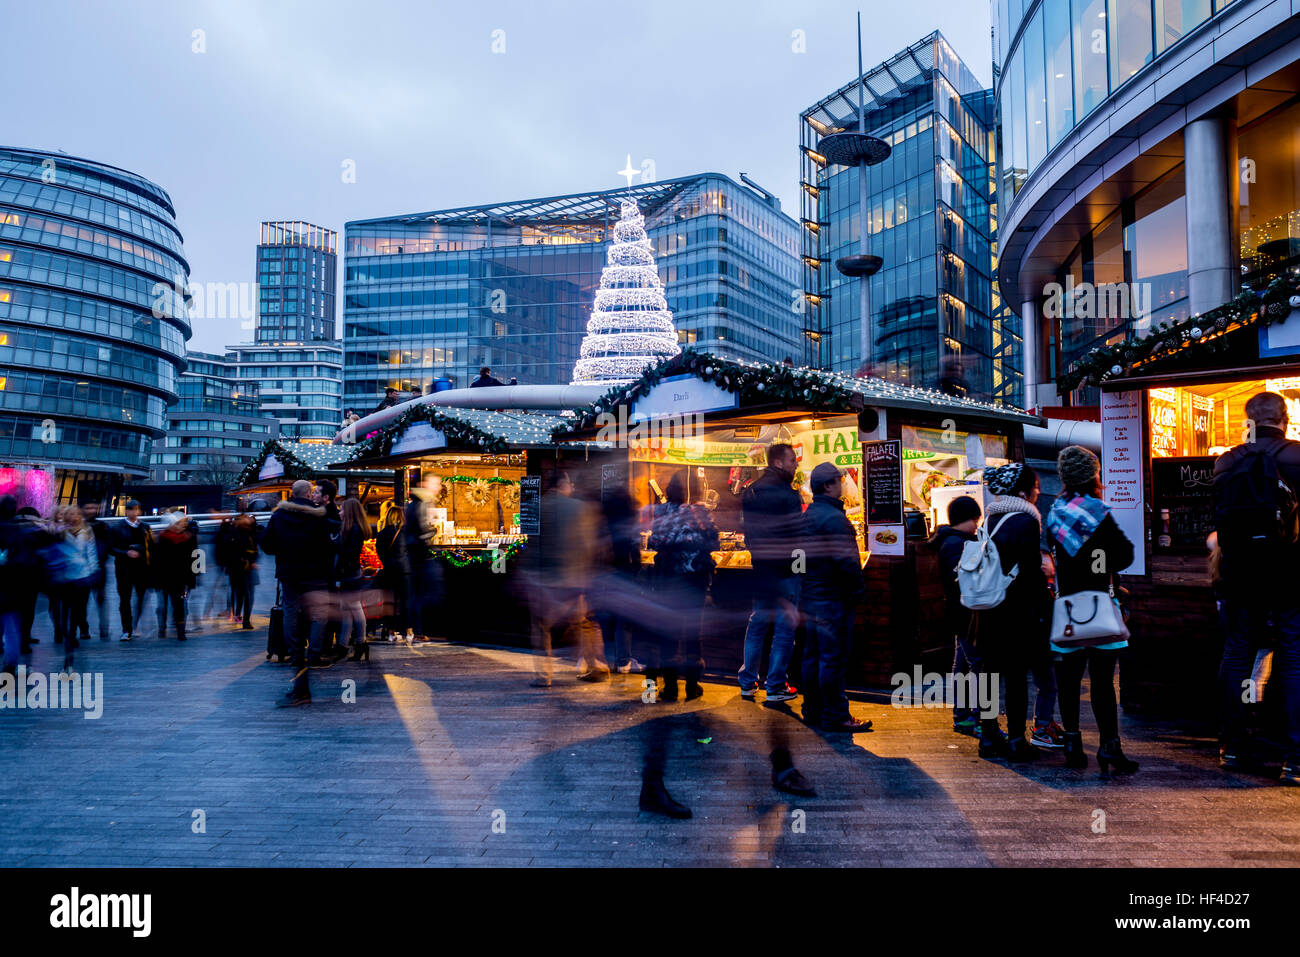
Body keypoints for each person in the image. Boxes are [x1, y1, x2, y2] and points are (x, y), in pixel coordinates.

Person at [1213, 391, 1300, 785]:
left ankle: (1233, 745)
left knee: (1237, 655)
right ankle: (1294, 756)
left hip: (1240, 574)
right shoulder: (1297, 457)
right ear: (1285, 419)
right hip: (1290, 572)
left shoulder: (1226, 462)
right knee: (1294, 657)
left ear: (1248, 421)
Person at [1046, 445, 1139, 774]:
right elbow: (1126, 554)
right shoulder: (1098, 512)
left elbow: (1060, 556)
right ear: (1093, 475)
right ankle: (1109, 748)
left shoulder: (1055, 512)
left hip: (1068, 607)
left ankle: (1072, 743)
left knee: (1068, 679)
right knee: (1102, 681)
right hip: (1099, 604)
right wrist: (1102, 563)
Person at [976, 463, 1057, 761]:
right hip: (1017, 611)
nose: (1038, 491)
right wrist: (1044, 607)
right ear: (1023, 491)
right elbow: (1030, 572)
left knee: (988, 675)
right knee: (1014, 676)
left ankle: (987, 737)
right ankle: (1015, 740)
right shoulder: (1025, 521)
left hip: (988, 607)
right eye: (1035, 486)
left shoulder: (990, 518)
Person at [798, 462, 871, 733]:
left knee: (812, 655)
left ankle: (812, 710)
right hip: (832, 598)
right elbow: (847, 562)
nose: (843, 484)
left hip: (810, 596)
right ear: (829, 486)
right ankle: (836, 715)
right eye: (839, 481)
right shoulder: (834, 519)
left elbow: (797, 559)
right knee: (833, 657)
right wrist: (857, 591)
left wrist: (805, 583)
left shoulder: (806, 517)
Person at [261, 479, 336, 706]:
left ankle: (296, 654)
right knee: (319, 614)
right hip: (316, 574)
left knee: (291, 612)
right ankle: (314, 651)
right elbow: (328, 545)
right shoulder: (319, 516)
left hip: (289, 574)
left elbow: (266, 545)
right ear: (309, 493)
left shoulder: (278, 517)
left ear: (292, 494)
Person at [738, 442, 803, 702]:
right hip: (786, 570)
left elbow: (749, 534)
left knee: (757, 624)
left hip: (762, 569)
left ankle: (748, 681)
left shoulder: (751, 492)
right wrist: (800, 571)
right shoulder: (789, 495)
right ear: (778, 462)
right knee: (785, 629)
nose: (795, 464)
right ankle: (775, 685)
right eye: (792, 461)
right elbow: (798, 538)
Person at [646, 471, 717, 701]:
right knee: (693, 634)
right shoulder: (700, 513)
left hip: (668, 581)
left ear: (669, 490)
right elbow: (714, 540)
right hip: (694, 582)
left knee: (669, 635)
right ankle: (692, 685)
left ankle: (670, 687)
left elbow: (653, 541)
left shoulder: (662, 512)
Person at [524, 471, 598, 686]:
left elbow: (533, 546)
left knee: (541, 627)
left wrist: (527, 575)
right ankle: (594, 666)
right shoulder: (580, 508)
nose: (572, 487)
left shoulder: (538, 507)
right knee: (583, 624)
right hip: (574, 579)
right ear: (562, 484)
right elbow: (588, 545)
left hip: (545, 581)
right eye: (570, 483)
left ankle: (544, 676)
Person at [928, 495, 984, 735]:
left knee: (961, 663)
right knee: (980, 666)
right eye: (976, 519)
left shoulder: (952, 540)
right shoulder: (956, 544)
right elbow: (961, 581)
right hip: (965, 614)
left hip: (959, 613)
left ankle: (962, 716)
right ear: (969, 519)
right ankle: (982, 721)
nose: (977, 524)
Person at [402, 474, 446, 642]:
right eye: (436, 482)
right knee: (429, 591)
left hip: (414, 554)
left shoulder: (414, 503)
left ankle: (415, 628)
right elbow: (422, 530)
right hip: (421, 554)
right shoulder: (423, 503)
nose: (439, 486)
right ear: (424, 484)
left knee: (418, 594)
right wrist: (433, 532)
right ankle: (422, 629)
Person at [0, 496, 37, 675]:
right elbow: (26, 561)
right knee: (11, 628)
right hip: (11, 588)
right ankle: (10, 664)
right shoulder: (19, 532)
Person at [111, 500, 153, 642]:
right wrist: (126, 553)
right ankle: (127, 629)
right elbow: (111, 548)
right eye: (130, 509)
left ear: (139, 511)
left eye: (135, 509)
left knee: (140, 598)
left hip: (141, 569)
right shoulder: (117, 528)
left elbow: (151, 547)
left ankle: (133, 626)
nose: (133, 512)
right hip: (124, 569)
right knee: (125, 600)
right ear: (126, 511)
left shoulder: (146, 527)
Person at [336, 497, 372, 661]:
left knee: (354, 608)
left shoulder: (354, 530)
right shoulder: (350, 528)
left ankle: (360, 642)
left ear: (349, 512)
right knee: (347, 610)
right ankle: (344, 645)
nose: (340, 512)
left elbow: (348, 553)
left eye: (342, 509)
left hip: (350, 573)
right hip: (349, 572)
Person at [153, 512, 198, 641]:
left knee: (180, 604)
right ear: (170, 525)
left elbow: (193, 559)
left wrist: (191, 579)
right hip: (164, 579)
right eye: (177, 523)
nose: (180, 525)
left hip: (180, 580)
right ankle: (163, 628)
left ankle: (180, 631)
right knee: (163, 606)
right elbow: (156, 562)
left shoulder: (186, 539)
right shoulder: (161, 540)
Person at [79, 501, 112, 640]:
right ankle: (85, 629)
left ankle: (102, 628)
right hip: (84, 569)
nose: (91, 510)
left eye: (93, 507)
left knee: (99, 599)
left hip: (98, 568)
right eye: (88, 507)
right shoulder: (80, 526)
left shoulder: (101, 526)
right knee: (83, 601)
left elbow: (108, 545)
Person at [374, 505, 407, 638]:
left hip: (387, 571)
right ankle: (403, 628)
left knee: (389, 601)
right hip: (402, 571)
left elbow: (379, 552)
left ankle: (388, 629)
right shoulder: (403, 534)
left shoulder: (381, 534)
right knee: (402, 600)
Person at [227, 512, 260, 629]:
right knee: (245, 594)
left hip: (242, 569)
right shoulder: (241, 534)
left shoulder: (244, 533)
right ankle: (243, 618)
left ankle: (240, 616)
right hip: (242, 569)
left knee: (243, 594)